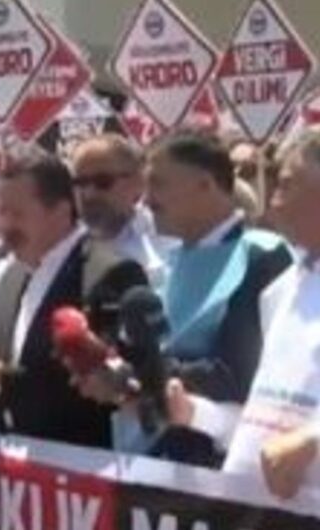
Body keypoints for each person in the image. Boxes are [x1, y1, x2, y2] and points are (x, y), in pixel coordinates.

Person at [81, 130, 293, 463]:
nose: (146, 201)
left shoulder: (262, 257)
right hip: (160, 463)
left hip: (224, 466)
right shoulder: (171, 261)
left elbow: (240, 375)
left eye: (158, 185)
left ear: (205, 185)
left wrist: (145, 378)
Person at [0, 146, 147, 446]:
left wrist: (3, 381)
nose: (4, 226)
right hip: (14, 461)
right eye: (0, 211)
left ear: (61, 210)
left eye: (17, 214)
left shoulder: (109, 274)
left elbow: (107, 385)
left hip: (78, 462)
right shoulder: (12, 275)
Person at [166, 130, 320, 498]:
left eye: (286, 185)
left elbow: (301, 440)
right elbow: (260, 423)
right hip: (252, 511)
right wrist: (195, 412)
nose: (273, 203)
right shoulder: (282, 289)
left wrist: (313, 441)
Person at [70, 134, 174, 290]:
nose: (89, 194)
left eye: (103, 182)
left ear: (138, 181)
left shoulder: (169, 232)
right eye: (80, 183)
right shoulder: (66, 252)